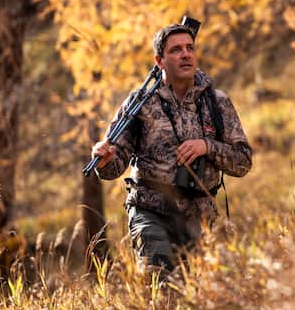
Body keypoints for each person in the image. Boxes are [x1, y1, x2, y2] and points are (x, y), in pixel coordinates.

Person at [90, 17, 252, 278]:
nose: (185, 55)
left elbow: (243, 162)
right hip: (150, 209)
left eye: (190, 48)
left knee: (197, 293)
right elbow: (112, 166)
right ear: (159, 61)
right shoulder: (140, 102)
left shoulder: (216, 101)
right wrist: (105, 159)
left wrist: (207, 147)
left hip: (198, 217)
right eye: (175, 50)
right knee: (159, 281)